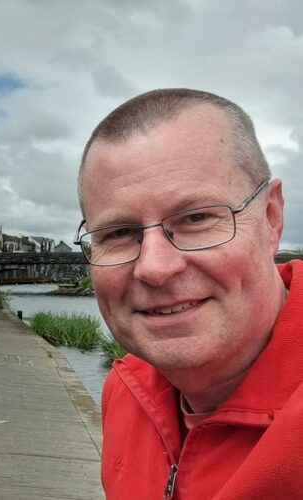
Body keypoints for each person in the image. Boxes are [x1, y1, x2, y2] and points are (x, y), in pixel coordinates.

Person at [75, 88, 303, 498]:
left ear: (271, 218)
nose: (156, 268)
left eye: (197, 218)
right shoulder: (126, 389)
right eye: (119, 233)